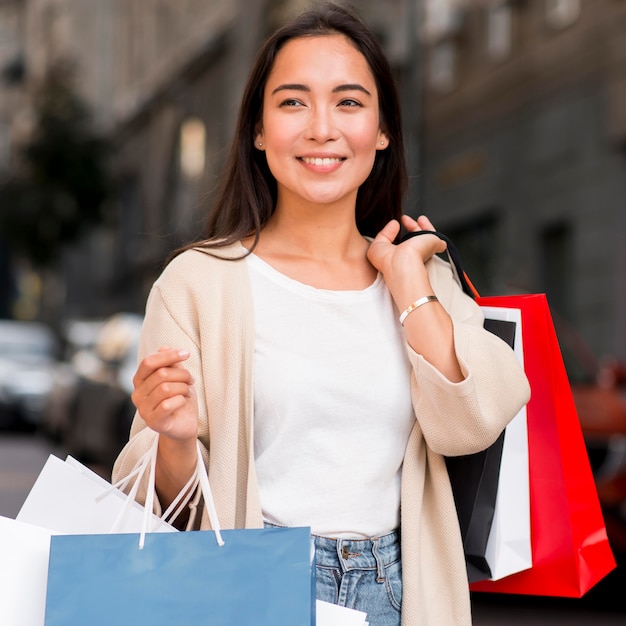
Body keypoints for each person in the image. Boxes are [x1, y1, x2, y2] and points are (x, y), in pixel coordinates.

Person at [112, 3, 530, 624]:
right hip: (254, 589)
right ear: (258, 130)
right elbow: (161, 507)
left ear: (383, 129)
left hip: (402, 594)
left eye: (349, 102)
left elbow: (469, 426)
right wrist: (172, 439)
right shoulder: (198, 283)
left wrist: (412, 287)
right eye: (292, 102)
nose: (321, 128)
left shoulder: (423, 276)